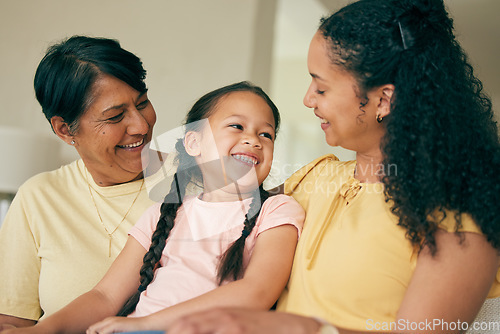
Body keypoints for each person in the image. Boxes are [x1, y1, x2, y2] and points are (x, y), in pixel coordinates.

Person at [162, 0, 500, 333]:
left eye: (321, 87)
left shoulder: (458, 219)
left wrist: (297, 327)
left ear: (383, 101)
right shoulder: (315, 177)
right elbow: (217, 202)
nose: (308, 99)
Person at [1, 81, 305, 334]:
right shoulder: (165, 214)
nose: (253, 140)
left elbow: (257, 292)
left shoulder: (276, 210)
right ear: (194, 143)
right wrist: (41, 331)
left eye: (266, 134)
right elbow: (105, 296)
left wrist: (148, 323)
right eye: (237, 126)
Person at [0, 35, 161, 329]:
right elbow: (11, 322)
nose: (141, 126)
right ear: (64, 129)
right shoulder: (39, 197)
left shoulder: (200, 179)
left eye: (143, 103)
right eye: (115, 117)